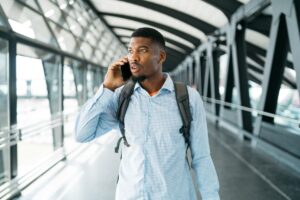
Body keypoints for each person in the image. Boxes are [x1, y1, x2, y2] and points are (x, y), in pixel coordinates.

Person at [75, 27, 220, 200]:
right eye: (130, 51)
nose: (133, 57)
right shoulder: (121, 97)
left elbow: (201, 158)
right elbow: (82, 134)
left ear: (161, 56)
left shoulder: (188, 98)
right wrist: (107, 88)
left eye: (142, 50)